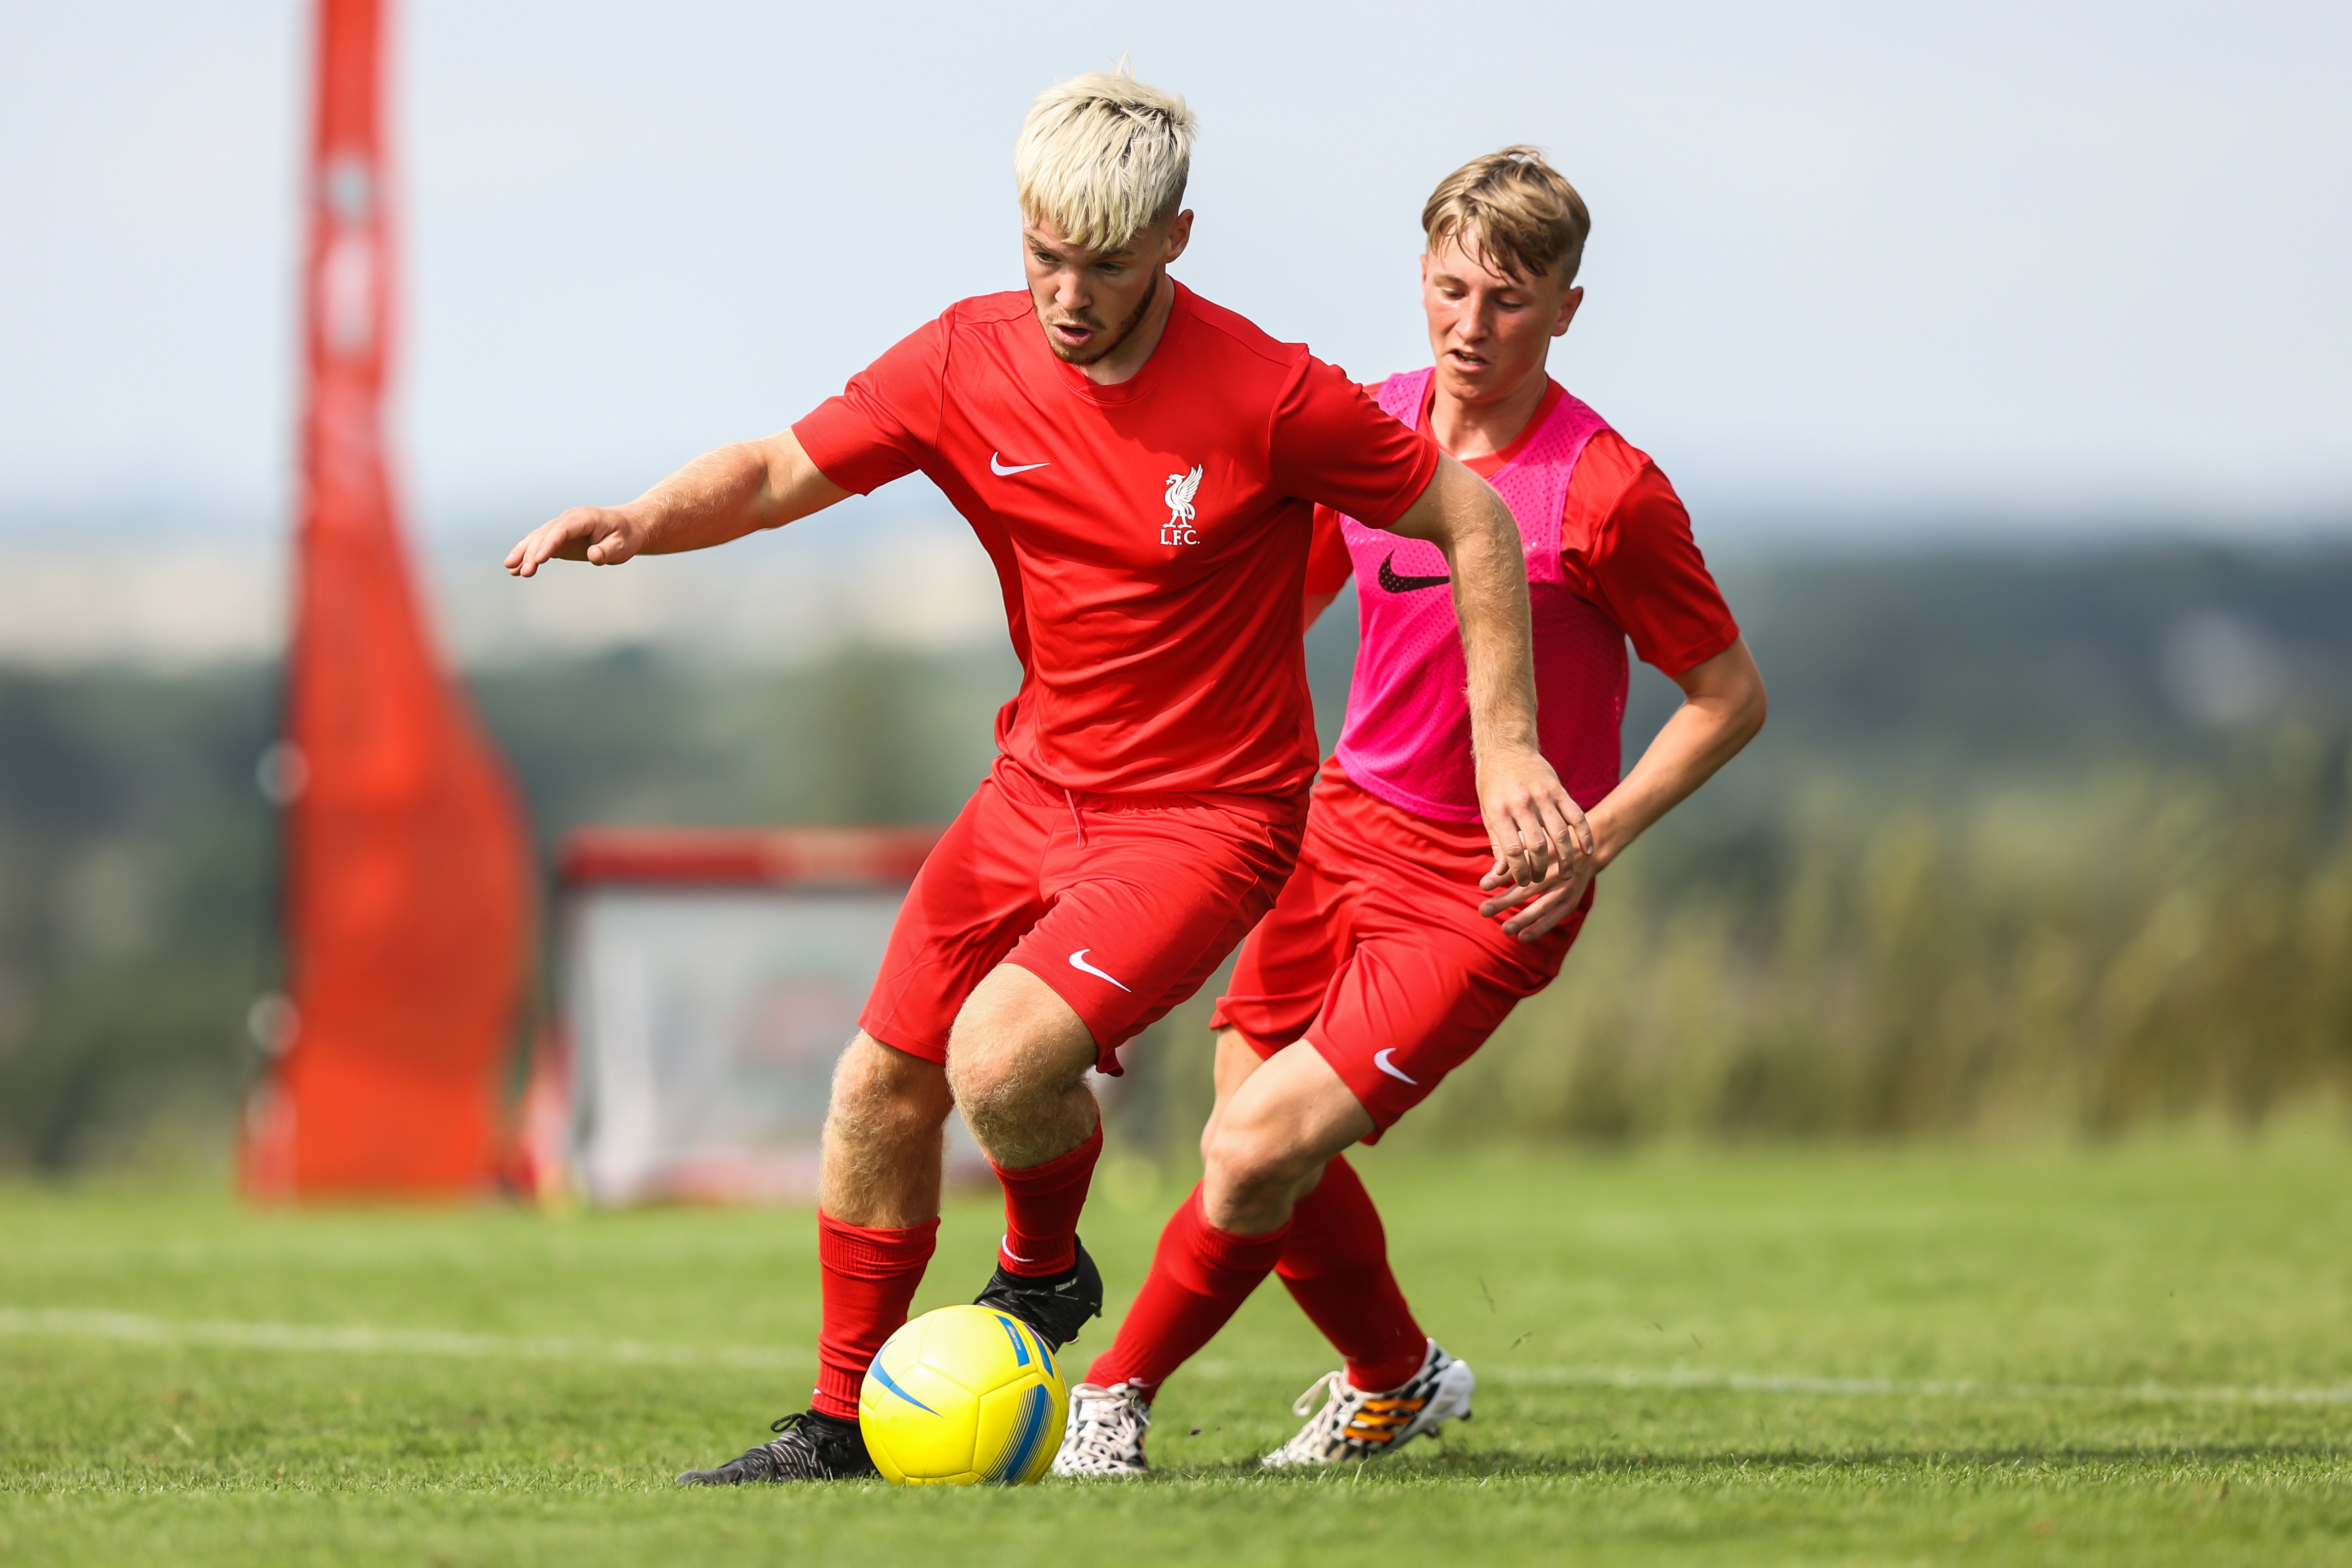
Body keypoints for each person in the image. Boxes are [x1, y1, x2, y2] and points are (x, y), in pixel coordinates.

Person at [505, 80, 1593, 1483]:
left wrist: (1508, 750)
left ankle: (1037, 1267)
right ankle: (837, 1426)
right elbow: (783, 468)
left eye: (1108, 261)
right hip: (1031, 789)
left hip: (1210, 816)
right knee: (871, 1090)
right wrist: (644, 520)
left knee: (1001, 1058)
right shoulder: (966, 358)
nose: (1069, 294)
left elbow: (1473, 515)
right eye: (1044, 255)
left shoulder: (1266, 393)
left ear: (1175, 240)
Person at [1053, 146, 1767, 1476]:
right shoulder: (1371, 437)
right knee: (1259, 1150)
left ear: (1565, 306)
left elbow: (1726, 697)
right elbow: (1265, 622)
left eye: (1507, 297)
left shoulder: (1607, 490)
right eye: (1448, 288)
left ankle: (1108, 1395)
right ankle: (1395, 1377)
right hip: (1331, 841)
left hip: (1484, 884)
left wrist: (1590, 839)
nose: (1468, 325)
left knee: (1251, 1141)